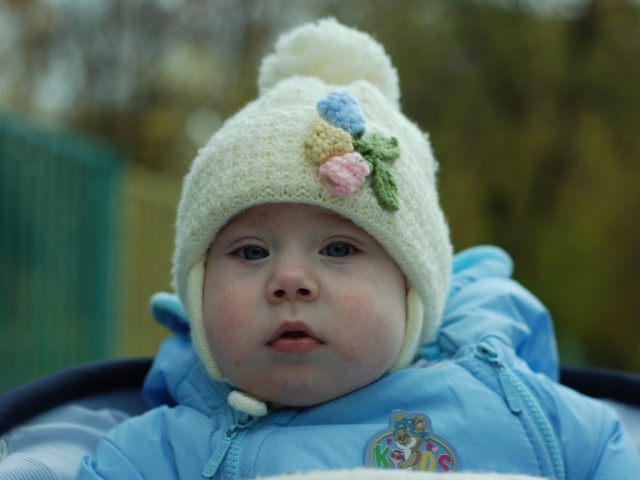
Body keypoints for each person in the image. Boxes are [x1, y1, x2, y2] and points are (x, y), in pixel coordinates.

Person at [77, 18, 640, 479]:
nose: (290, 279)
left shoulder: (508, 402)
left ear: (411, 290)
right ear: (197, 297)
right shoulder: (170, 452)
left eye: (340, 249)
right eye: (250, 253)